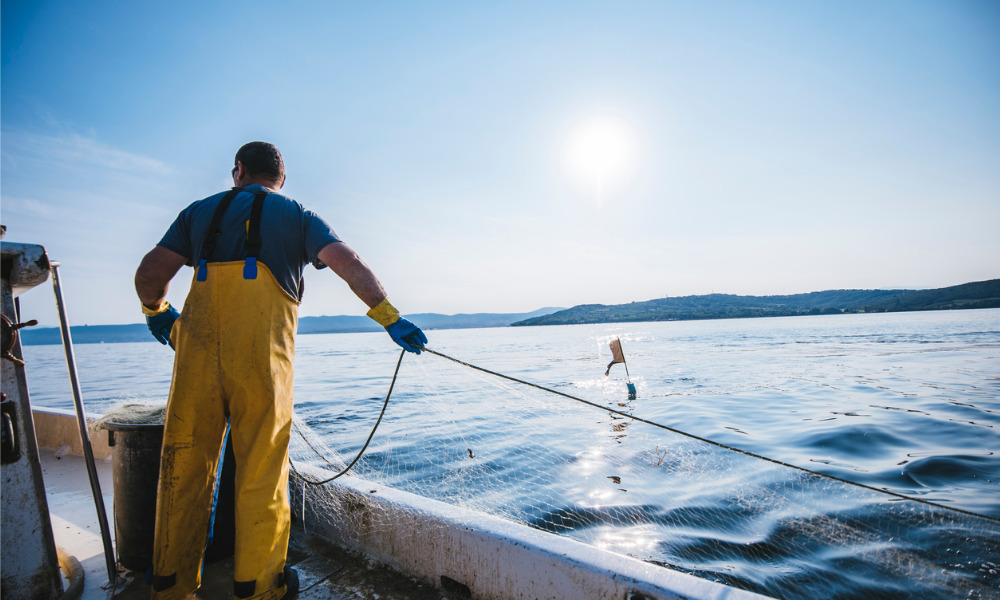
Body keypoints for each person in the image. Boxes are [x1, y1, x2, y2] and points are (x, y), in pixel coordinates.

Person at [134, 141, 426, 600]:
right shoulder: (298, 214)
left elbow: (150, 273)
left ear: (238, 171)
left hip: (196, 359)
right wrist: (389, 316)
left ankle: (169, 585)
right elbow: (348, 263)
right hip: (262, 362)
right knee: (261, 471)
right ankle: (259, 586)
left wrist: (157, 311)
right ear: (281, 178)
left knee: (183, 467)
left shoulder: (197, 213)